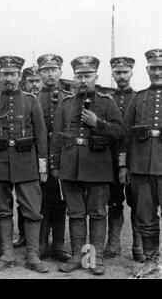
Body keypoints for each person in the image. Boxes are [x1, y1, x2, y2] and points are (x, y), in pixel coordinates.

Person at [51, 56, 124, 275]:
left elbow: (120, 132)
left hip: (97, 165)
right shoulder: (66, 104)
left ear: (96, 77)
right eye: (79, 76)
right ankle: (77, 256)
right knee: (75, 213)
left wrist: (98, 124)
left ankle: (95, 257)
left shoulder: (107, 102)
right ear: (74, 78)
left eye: (88, 76)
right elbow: (56, 137)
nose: (83, 80)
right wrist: (55, 165)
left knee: (98, 213)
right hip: (70, 165)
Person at [0, 55, 48, 273]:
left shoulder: (31, 101)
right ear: (0, 77)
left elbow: (40, 134)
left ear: (20, 76)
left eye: (12, 74)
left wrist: (42, 165)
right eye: (5, 74)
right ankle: (6, 254)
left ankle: (32, 255)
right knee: (1, 210)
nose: (8, 78)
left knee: (31, 210)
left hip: (26, 160)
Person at [119, 49, 162, 277]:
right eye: (153, 68)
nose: (157, 72)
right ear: (146, 70)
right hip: (141, 167)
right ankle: (152, 259)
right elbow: (126, 135)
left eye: (160, 68)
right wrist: (124, 165)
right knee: (145, 216)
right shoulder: (138, 97)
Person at [104, 57, 143, 262]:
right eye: (117, 72)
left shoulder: (139, 98)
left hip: (134, 160)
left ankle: (138, 245)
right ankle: (113, 243)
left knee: (137, 203)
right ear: (113, 74)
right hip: (109, 160)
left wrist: (126, 163)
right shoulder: (106, 99)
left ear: (132, 73)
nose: (121, 76)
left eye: (125, 72)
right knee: (113, 202)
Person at [35, 54, 72, 262]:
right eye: (45, 70)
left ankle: (58, 245)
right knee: (40, 201)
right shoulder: (33, 98)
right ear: (40, 73)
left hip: (62, 156)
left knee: (61, 201)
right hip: (39, 156)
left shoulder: (69, 98)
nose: (50, 74)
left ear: (60, 72)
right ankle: (41, 244)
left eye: (53, 70)